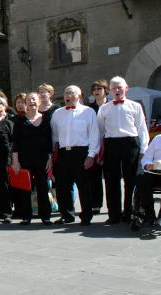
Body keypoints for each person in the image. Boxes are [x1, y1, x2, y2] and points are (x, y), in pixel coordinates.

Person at [97, 76, 149, 225]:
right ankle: (114, 214)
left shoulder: (135, 106)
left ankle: (129, 212)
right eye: (114, 88)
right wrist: (97, 150)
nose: (117, 90)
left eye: (120, 87)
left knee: (130, 179)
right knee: (111, 180)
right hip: (111, 144)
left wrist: (143, 149)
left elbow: (142, 128)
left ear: (126, 89)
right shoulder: (104, 108)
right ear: (110, 91)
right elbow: (99, 131)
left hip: (130, 143)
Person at [50, 85, 100, 225]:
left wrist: (91, 155)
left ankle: (86, 215)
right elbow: (54, 135)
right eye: (66, 93)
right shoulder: (57, 113)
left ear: (79, 96)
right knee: (63, 186)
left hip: (81, 152)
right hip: (63, 152)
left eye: (71, 93)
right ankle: (67, 215)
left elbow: (94, 134)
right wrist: (53, 155)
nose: (68, 96)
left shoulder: (88, 112)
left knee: (84, 186)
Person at [11, 92, 53, 224]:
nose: (31, 102)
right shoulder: (20, 121)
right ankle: (26, 216)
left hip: (42, 159)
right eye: (28, 100)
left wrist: (50, 159)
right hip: (24, 159)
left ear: (39, 102)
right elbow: (15, 143)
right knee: (25, 189)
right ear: (25, 104)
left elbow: (50, 141)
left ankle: (45, 216)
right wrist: (15, 162)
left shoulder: (46, 119)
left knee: (43, 188)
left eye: (34, 99)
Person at [88, 79, 110, 215]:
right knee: (94, 177)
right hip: (95, 145)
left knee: (110, 177)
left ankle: (113, 206)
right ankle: (96, 204)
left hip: (109, 145)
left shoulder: (112, 105)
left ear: (105, 91)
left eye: (99, 89)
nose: (97, 91)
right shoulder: (89, 108)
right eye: (95, 89)